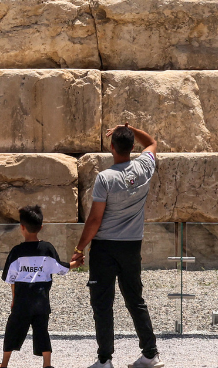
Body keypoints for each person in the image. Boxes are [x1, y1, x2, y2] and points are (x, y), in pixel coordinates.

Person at [69, 124, 162, 368]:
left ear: (111, 147)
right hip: (132, 246)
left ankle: (105, 359)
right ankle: (150, 354)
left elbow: (95, 219)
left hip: (105, 248)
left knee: (102, 302)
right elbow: (151, 143)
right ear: (132, 148)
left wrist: (79, 248)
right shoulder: (143, 168)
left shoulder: (105, 178)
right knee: (135, 299)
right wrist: (128, 128)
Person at [0, 204, 69, 368]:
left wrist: (14, 299)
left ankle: (3, 365)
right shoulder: (47, 249)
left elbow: (10, 279)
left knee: (13, 331)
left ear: (21, 227)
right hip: (41, 300)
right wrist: (76, 262)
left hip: (22, 301)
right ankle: (47, 365)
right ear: (41, 227)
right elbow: (61, 267)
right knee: (42, 332)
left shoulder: (16, 251)